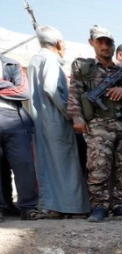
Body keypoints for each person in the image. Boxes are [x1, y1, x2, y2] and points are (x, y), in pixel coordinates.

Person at [67, 25, 122, 222]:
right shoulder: (84, 68)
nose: (105, 46)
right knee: (98, 166)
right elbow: (74, 93)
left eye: (108, 42)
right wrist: (76, 117)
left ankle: (121, 205)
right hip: (99, 124)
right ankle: (99, 206)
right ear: (92, 43)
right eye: (100, 41)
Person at [28, 25, 89, 218]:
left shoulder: (35, 59)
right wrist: (70, 112)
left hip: (41, 121)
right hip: (56, 120)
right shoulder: (50, 59)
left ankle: (54, 207)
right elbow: (50, 87)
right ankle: (74, 208)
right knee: (66, 164)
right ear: (59, 43)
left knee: (49, 165)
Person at [0, 50, 39, 220]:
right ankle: (4, 207)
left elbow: (23, 92)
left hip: (14, 119)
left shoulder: (12, 64)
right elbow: (14, 89)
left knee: (24, 164)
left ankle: (28, 207)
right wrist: (7, 85)